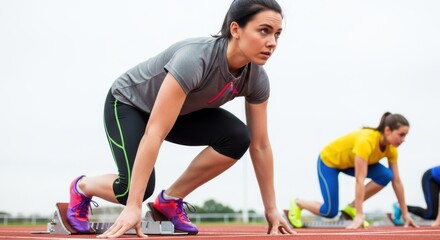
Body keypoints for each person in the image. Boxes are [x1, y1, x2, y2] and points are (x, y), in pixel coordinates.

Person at [65, 0, 294, 238]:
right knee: (132, 190)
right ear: (235, 30)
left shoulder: (256, 79)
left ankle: (170, 200)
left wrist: (272, 209)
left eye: (277, 34)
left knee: (238, 137)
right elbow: (155, 131)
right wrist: (134, 206)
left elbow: (260, 144)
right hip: (129, 104)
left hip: (180, 112)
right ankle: (82, 187)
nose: (272, 42)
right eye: (264, 31)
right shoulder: (195, 59)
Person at [287, 112, 418, 229]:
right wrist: (359, 215)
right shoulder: (366, 141)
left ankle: (351, 207)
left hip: (349, 163)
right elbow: (359, 179)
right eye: (401, 135)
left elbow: (397, 181)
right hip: (329, 162)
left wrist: (405, 214)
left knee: (387, 175)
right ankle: (298, 203)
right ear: (388, 130)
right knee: (330, 212)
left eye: (405, 135)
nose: (403, 140)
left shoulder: (391, 149)